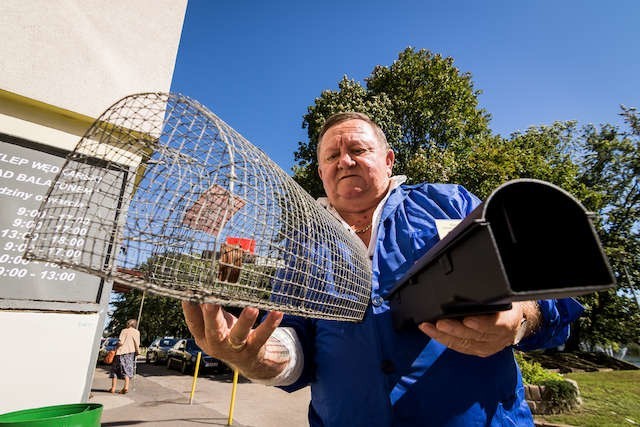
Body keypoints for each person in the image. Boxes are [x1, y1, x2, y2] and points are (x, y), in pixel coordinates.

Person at [182, 112, 584, 426]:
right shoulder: (302, 248)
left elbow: (548, 288)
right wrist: (257, 357)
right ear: (321, 173)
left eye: (358, 149)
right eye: (332, 156)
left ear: (388, 160)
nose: (345, 161)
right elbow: (295, 340)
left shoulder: (449, 204)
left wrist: (522, 319)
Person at [109, 318, 140, 394]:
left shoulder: (124, 331)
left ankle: (113, 388)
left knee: (115, 370)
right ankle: (126, 387)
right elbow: (137, 343)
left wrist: (116, 344)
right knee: (127, 370)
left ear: (129, 324)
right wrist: (137, 352)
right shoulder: (137, 332)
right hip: (130, 353)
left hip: (121, 352)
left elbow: (121, 342)